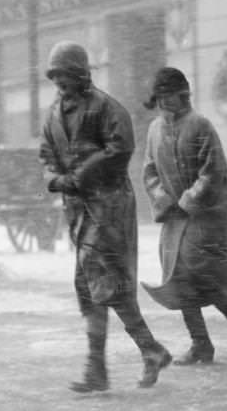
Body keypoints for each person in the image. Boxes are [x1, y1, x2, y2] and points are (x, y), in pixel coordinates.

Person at [38, 41, 172, 393]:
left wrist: (81, 175)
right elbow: (46, 155)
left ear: (81, 74)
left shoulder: (107, 107)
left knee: (100, 278)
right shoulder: (53, 114)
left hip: (108, 206)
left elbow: (120, 149)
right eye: (56, 76)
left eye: (66, 75)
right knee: (94, 285)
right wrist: (54, 179)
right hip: (77, 210)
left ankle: (112, 362)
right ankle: (145, 351)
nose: (61, 82)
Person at [139, 67, 227, 366]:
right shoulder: (154, 130)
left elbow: (213, 171)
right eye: (160, 98)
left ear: (183, 95)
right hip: (173, 216)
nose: (166, 103)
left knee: (202, 272)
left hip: (204, 215)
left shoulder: (200, 125)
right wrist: (164, 200)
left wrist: (189, 200)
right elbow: (150, 170)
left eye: (170, 97)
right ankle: (203, 342)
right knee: (179, 279)